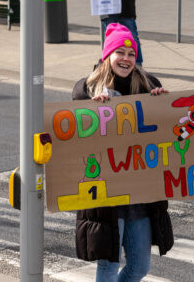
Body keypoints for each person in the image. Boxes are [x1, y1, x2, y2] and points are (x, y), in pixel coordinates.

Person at [72, 23, 174, 282]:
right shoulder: (86, 89)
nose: (126, 59)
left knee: (140, 266)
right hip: (106, 198)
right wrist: (90, 113)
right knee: (107, 267)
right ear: (107, 55)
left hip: (140, 197)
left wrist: (161, 104)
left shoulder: (149, 84)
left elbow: (165, 133)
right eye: (120, 52)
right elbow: (74, 138)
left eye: (131, 54)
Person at [89, 0, 146, 66]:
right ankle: (110, 63)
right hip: (108, 10)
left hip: (126, 9)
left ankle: (137, 64)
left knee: (133, 37)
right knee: (111, 39)